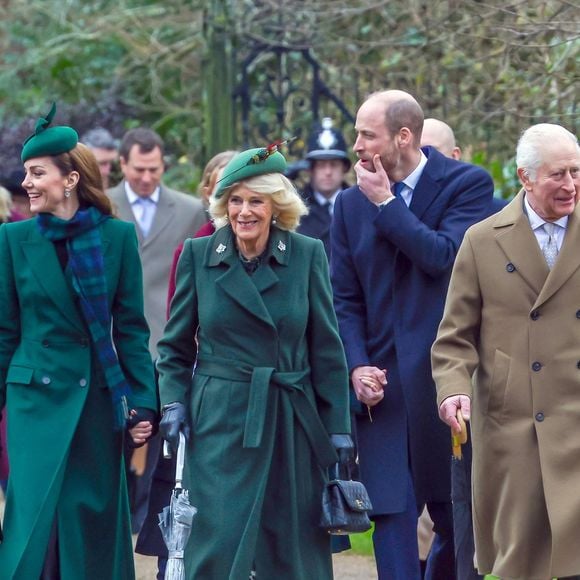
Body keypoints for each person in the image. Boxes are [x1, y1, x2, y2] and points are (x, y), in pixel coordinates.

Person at [156, 146, 353, 579]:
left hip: (290, 419)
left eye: (256, 200)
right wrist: (172, 402)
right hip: (221, 422)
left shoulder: (306, 254)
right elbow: (173, 348)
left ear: (276, 206)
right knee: (217, 542)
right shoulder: (198, 254)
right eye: (236, 201)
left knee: (291, 548)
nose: (244, 211)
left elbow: (327, 350)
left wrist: (338, 427)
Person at [330, 89, 494, 580]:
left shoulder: (466, 185)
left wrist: (386, 204)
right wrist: (356, 364)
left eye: (366, 134)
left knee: (452, 517)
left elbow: (444, 256)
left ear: (403, 137)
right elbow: (345, 298)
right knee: (391, 516)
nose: (356, 145)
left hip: (445, 382)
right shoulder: (346, 204)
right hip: (382, 389)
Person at [0, 104, 157, 578]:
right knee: (35, 522)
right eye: (26, 173)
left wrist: (143, 403)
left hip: (96, 403)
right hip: (33, 404)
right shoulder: (13, 240)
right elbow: (6, 332)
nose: (27, 183)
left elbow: (131, 329)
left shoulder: (118, 238)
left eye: (37, 173)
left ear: (69, 179)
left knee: (87, 518)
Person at [432, 123, 580, 580]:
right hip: (516, 425)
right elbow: (454, 336)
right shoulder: (482, 240)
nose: (571, 185)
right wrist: (453, 390)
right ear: (525, 177)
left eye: (577, 172)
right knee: (525, 561)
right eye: (558, 174)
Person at [135, 149, 236, 580]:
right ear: (209, 192)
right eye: (221, 186)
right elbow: (181, 328)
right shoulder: (192, 249)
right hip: (198, 381)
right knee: (182, 491)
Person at [107, 127, 206, 531]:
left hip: (167, 338)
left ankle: (150, 517)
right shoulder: (104, 206)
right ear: (122, 164)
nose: (147, 178)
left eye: (154, 169)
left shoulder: (189, 210)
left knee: (163, 432)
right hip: (116, 340)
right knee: (116, 431)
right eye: (139, 170)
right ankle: (113, 513)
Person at [166, 150, 237, 313]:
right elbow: (178, 323)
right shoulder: (192, 252)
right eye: (223, 190)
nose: (232, 200)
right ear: (208, 193)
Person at [297, 117, 351, 256]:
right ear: (310, 169)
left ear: (344, 168)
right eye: (321, 165)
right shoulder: (296, 206)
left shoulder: (357, 204)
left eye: (334, 164)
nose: (328, 172)